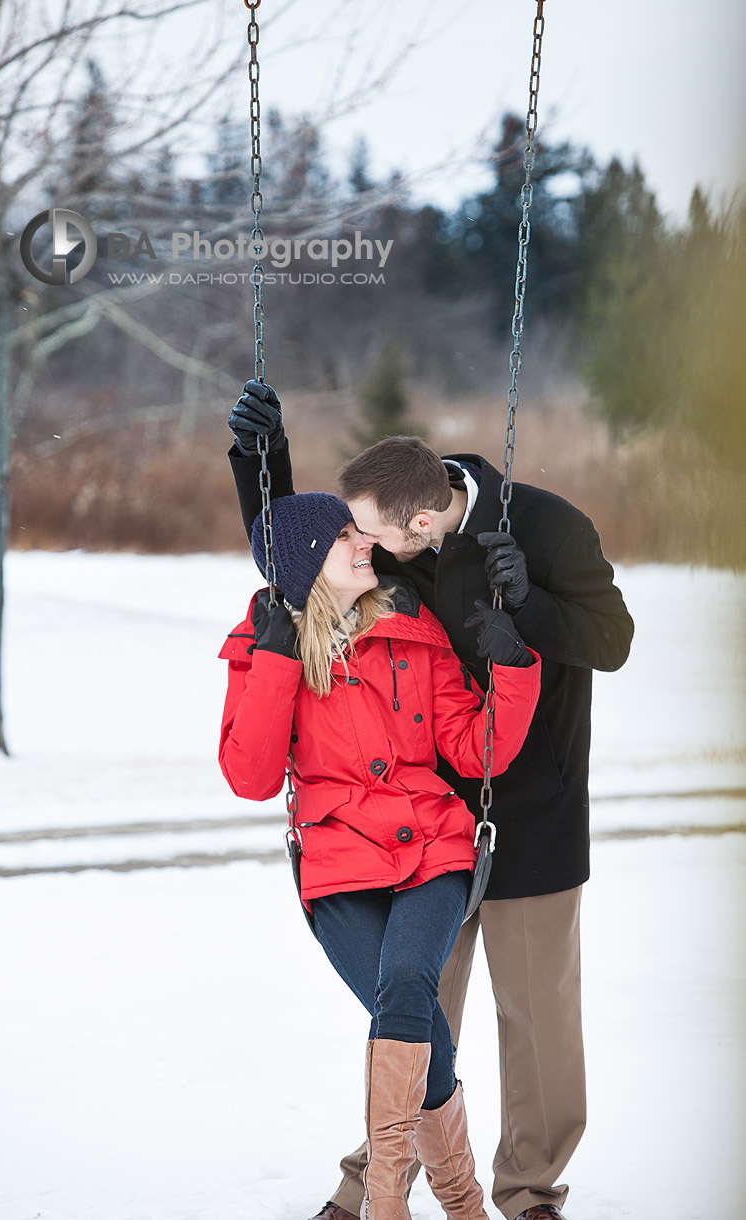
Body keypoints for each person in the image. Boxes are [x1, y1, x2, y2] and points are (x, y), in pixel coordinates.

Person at [225, 382, 635, 1220]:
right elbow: (301, 566)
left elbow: (613, 640)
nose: (365, 546)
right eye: (358, 532)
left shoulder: (548, 528)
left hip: (531, 802)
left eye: (369, 532)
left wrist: (530, 607)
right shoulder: (389, 542)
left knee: (538, 1021)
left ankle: (528, 1196)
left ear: (418, 522)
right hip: (418, 822)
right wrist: (259, 462)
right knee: (411, 1006)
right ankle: (378, 1187)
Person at [219, 491, 542, 1220]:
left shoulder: (408, 627)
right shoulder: (266, 639)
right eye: (342, 536)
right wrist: (272, 661)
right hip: (338, 864)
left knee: (403, 987)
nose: (363, 542)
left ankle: (387, 1203)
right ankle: (463, 1204)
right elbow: (250, 776)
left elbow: (473, 750)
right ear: (306, 562)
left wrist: (515, 669)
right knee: (417, 1019)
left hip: (431, 848)